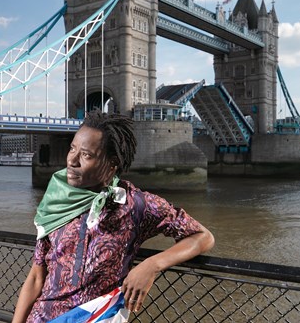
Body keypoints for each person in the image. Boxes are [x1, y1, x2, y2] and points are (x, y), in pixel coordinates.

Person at [12, 110, 214, 323]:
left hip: (97, 317)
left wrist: (152, 264)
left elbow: (202, 236)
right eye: (72, 148)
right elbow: (36, 277)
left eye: (86, 155)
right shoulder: (55, 201)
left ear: (112, 163)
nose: (72, 160)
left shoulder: (136, 205)